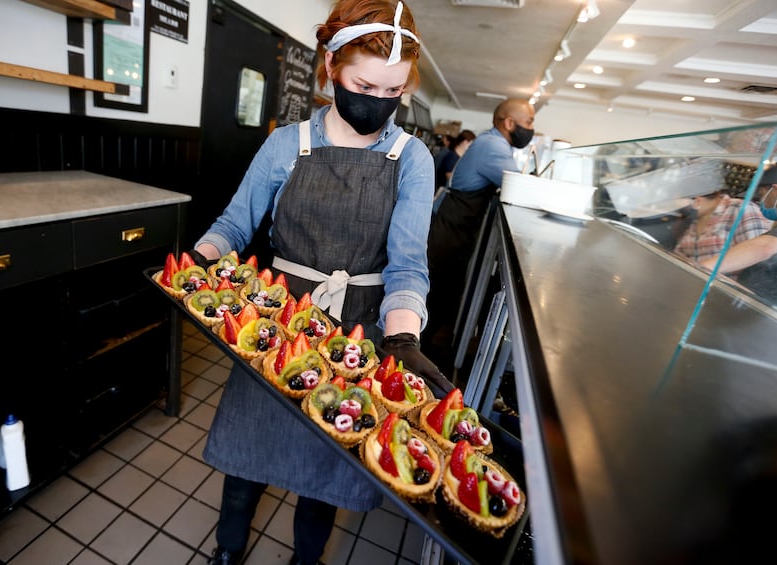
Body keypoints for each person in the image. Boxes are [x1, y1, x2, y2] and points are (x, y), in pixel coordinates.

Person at [188, 2, 452, 564]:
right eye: (364, 84)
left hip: (358, 331)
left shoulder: (412, 159)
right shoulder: (287, 143)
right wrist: (198, 261)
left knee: (324, 470)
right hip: (276, 317)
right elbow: (236, 223)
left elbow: (407, 264)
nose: (379, 102)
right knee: (246, 460)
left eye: (394, 91)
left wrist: (403, 338)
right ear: (331, 66)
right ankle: (227, 554)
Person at [422, 98, 535, 372]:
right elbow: (521, 188)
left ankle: (428, 352)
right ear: (510, 123)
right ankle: (422, 359)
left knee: (443, 292)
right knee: (438, 292)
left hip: (455, 226)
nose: (531, 128)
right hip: (452, 230)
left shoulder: (490, 141)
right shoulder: (493, 146)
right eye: (529, 122)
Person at [699, 162, 777, 305]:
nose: (762, 202)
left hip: (765, 316)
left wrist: (704, 268)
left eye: (762, 195)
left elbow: (767, 246)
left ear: (776, 189)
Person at [673, 186, 771, 266]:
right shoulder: (693, 219)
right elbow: (680, 256)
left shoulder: (741, 209)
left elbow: (760, 258)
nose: (683, 209)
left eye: (685, 205)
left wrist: (706, 267)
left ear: (698, 199)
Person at [435, 128, 476, 192]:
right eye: (471, 143)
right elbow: (451, 179)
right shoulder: (452, 157)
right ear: (465, 142)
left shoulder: (460, 158)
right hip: (442, 193)